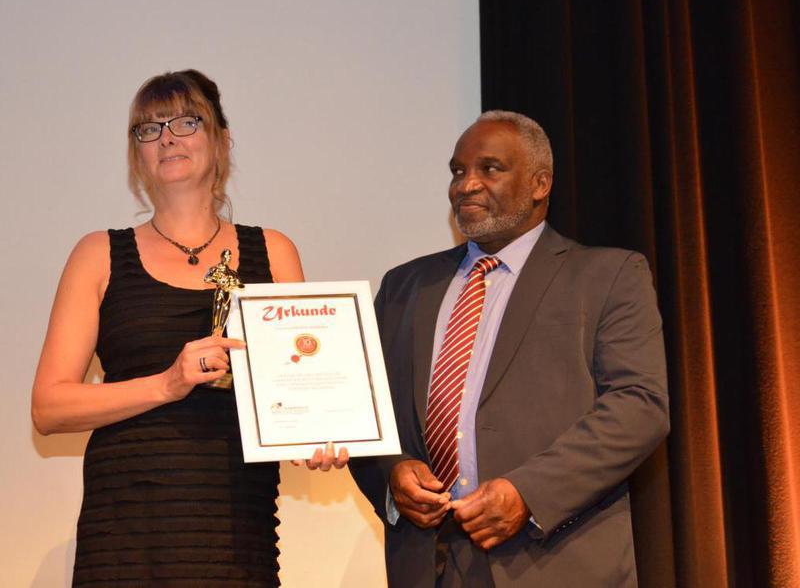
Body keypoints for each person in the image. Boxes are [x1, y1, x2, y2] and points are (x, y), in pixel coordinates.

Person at [31, 69, 345, 587]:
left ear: (222, 140)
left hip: (235, 532)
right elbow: (48, 407)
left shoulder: (274, 251)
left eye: (186, 121)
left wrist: (315, 435)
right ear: (136, 154)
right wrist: (166, 384)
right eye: (149, 128)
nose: (167, 138)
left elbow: (293, 393)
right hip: (126, 536)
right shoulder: (98, 255)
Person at [350, 110, 669, 586]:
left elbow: (639, 406)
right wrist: (393, 472)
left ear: (540, 184)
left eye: (490, 168)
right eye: (458, 171)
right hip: (427, 565)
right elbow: (366, 411)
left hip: (553, 560)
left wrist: (528, 492)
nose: (466, 185)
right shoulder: (406, 285)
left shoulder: (607, 276)